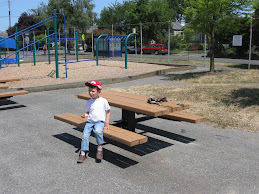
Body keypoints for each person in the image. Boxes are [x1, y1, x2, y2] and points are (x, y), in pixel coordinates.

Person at [77, 80, 111, 163]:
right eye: (89, 91)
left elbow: (108, 111)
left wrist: (107, 123)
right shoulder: (89, 102)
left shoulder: (103, 101)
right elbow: (88, 112)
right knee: (85, 135)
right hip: (90, 122)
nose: (91, 93)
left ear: (99, 91)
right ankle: (83, 153)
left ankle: (99, 148)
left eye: (93, 91)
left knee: (98, 131)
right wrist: (85, 115)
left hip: (99, 122)